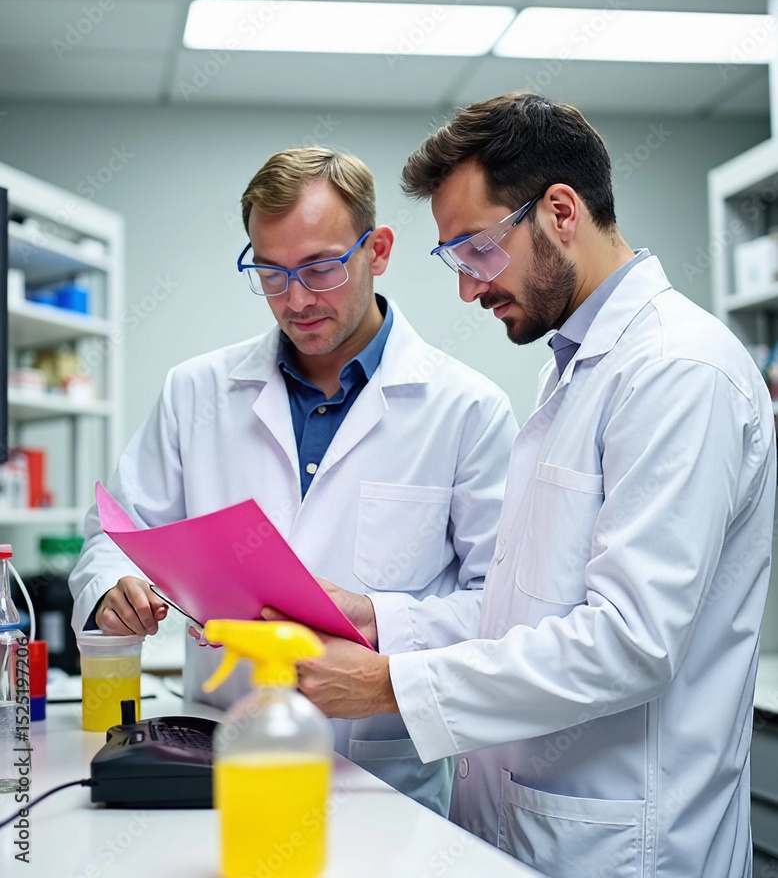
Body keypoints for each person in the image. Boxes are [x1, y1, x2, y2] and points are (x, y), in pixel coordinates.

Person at [292, 95, 776, 878]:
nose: (468, 289)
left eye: (477, 251)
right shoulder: (580, 371)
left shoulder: (678, 371)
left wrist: (393, 686)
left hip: (628, 844)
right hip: (536, 826)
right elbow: (530, 608)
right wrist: (380, 620)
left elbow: (627, 642)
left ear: (559, 211)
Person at [68, 146, 517, 814]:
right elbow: (116, 530)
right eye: (270, 273)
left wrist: (382, 620)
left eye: (320, 268)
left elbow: (505, 609)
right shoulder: (197, 391)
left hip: (381, 779)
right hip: (219, 762)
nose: (296, 299)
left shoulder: (467, 408)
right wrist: (112, 586)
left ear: (380, 249)